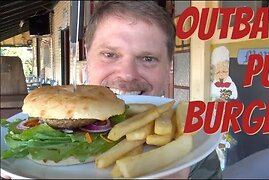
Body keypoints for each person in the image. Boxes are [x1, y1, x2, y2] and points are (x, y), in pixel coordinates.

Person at [84, 1, 222, 179]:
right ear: (87, 58)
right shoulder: (44, 142)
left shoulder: (196, 147)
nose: (127, 74)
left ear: (169, 67)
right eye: (110, 55)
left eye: (148, 58)